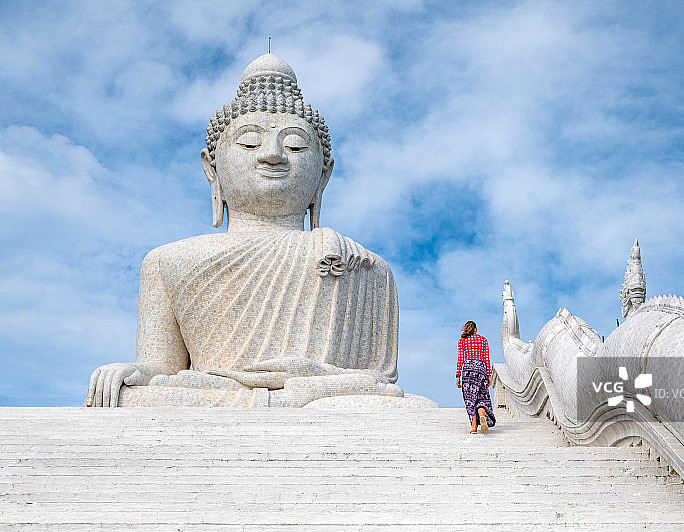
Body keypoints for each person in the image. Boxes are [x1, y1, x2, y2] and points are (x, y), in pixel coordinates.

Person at [84, 53, 401, 408]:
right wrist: (131, 372)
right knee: (133, 399)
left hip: (323, 400)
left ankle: (282, 401)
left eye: (295, 145)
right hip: (209, 395)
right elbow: (161, 367)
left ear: (323, 175)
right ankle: (268, 403)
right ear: (212, 168)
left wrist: (308, 380)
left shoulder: (365, 266)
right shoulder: (166, 261)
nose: (274, 155)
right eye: (250, 142)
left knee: (406, 407)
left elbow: (379, 381)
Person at [456, 321, 496, 434]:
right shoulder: (483, 340)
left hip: (467, 370)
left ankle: (474, 428)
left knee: (470, 399)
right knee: (481, 397)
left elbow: (460, 359)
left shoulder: (462, 341)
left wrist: (458, 376)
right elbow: (487, 358)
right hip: (480, 369)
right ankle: (482, 415)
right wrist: (489, 375)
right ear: (476, 329)